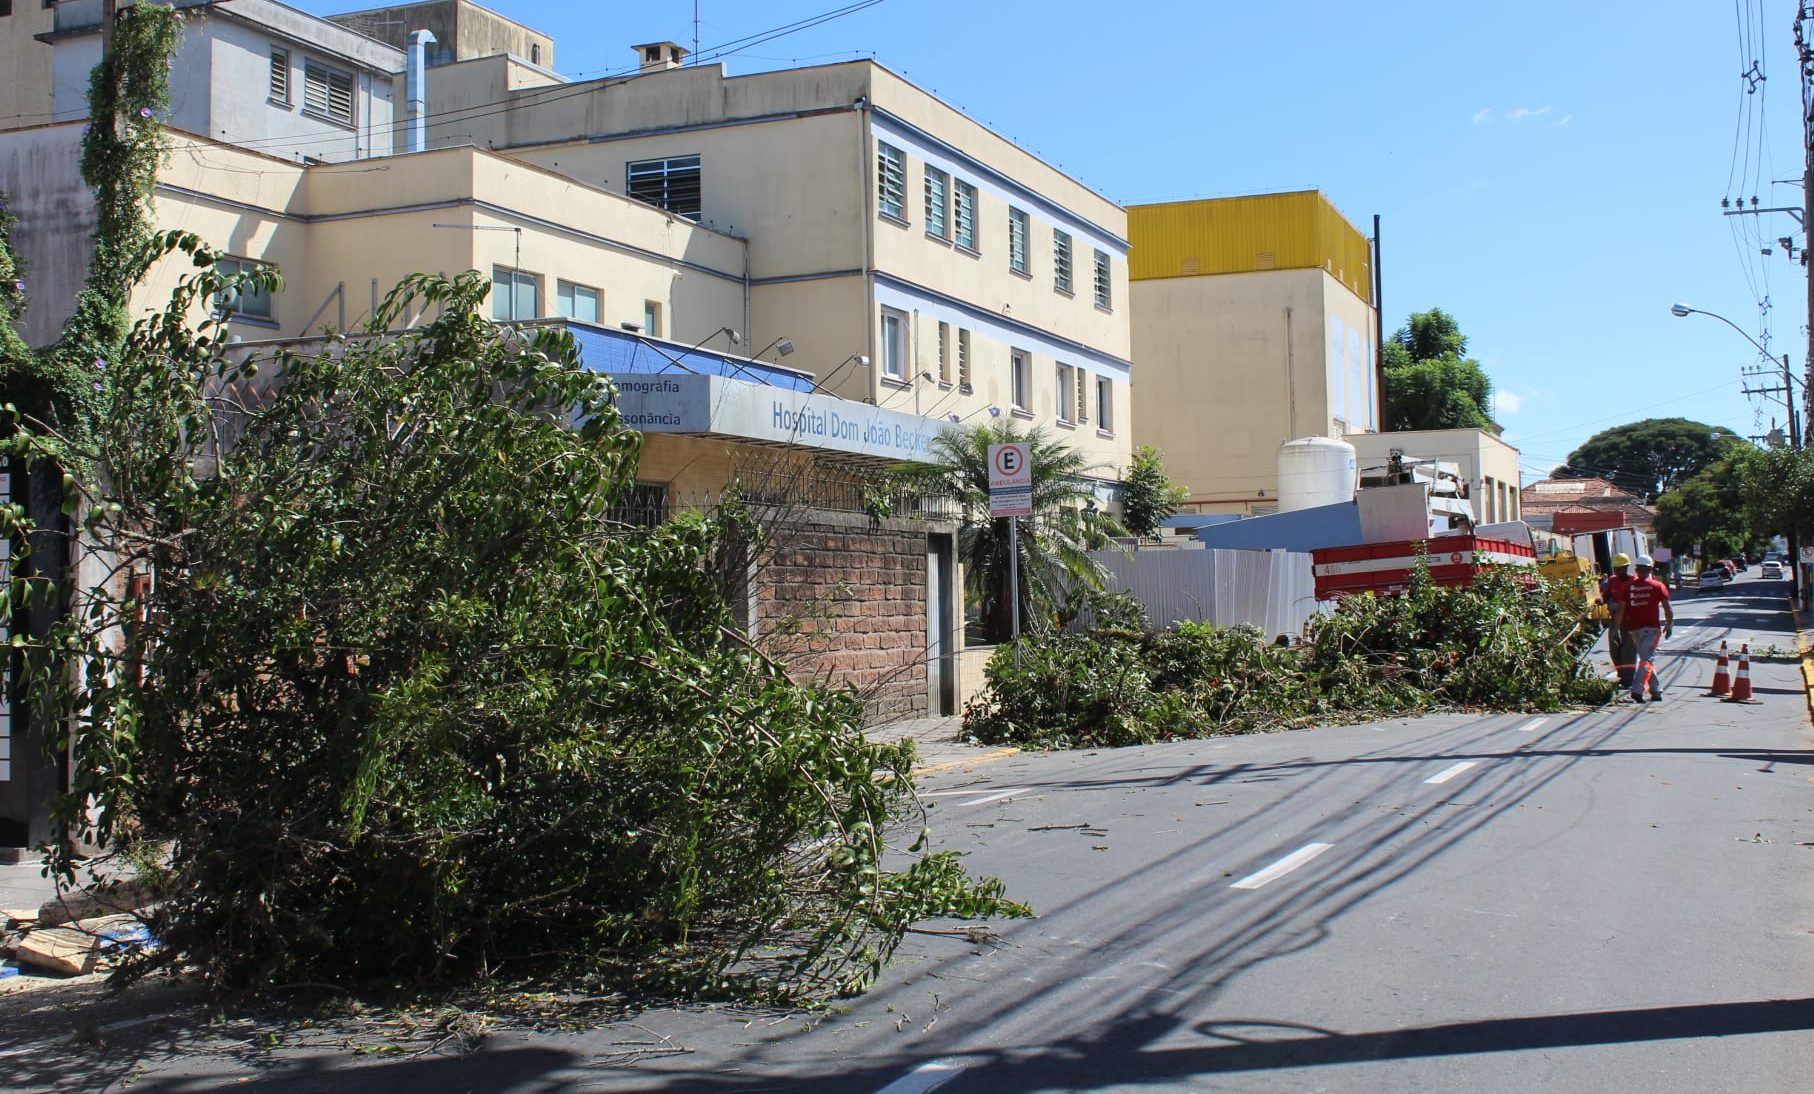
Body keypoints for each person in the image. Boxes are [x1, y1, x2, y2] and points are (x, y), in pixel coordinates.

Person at [1621, 554, 1675, 703]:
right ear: (1651, 569)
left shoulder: (1628, 587)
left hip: (1634, 630)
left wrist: (1616, 629)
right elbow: (1667, 607)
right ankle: (1637, 690)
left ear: (1636, 569)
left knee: (1646, 659)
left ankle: (1656, 691)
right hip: (1651, 630)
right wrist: (1669, 624)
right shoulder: (1658, 586)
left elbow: (1621, 610)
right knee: (1646, 660)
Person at [1602, 553, 1637, 689]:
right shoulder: (1612, 580)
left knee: (1628, 651)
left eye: (1620, 568)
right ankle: (1621, 674)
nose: (1617, 571)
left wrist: (1620, 606)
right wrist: (1602, 600)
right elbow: (1606, 596)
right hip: (1615, 621)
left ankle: (1627, 680)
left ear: (1626, 567)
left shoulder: (1633, 581)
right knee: (1614, 650)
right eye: (1615, 569)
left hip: (1629, 622)